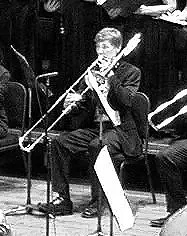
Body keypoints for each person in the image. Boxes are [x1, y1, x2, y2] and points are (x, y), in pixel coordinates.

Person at [37, 28, 141, 221]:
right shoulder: (90, 72)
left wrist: (109, 78)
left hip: (119, 129)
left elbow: (126, 101)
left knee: (97, 145)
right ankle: (62, 199)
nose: (101, 52)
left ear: (117, 49)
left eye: (106, 47)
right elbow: (83, 106)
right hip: (95, 127)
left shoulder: (131, 72)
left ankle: (98, 201)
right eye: (98, 47)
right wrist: (72, 103)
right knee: (59, 143)